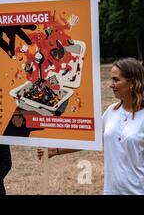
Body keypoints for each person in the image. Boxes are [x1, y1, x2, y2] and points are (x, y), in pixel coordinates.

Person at [37, 57, 144, 195]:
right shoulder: (111, 112)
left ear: (132, 83)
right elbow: (90, 140)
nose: (110, 84)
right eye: (111, 79)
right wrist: (54, 150)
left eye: (116, 80)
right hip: (111, 191)